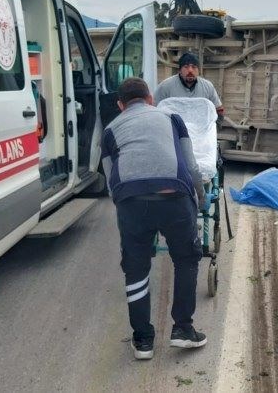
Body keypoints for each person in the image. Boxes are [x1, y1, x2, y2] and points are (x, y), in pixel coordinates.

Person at [101, 77, 207, 360]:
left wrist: (126, 210)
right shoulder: (172, 117)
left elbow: (111, 179)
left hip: (132, 203)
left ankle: (143, 341)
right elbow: (191, 165)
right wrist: (200, 196)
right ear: (150, 99)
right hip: (175, 198)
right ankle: (183, 329)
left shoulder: (111, 129)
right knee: (186, 259)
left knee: (136, 268)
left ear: (121, 105)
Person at [154, 52, 224, 123]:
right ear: (179, 70)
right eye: (186, 66)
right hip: (173, 131)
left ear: (199, 71)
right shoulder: (165, 86)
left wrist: (214, 127)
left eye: (194, 67)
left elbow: (219, 110)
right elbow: (153, 110)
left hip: (200, 131)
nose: (190, 70)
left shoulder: (208, 87)